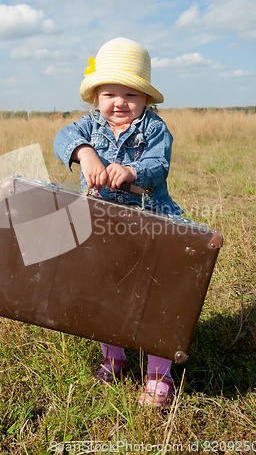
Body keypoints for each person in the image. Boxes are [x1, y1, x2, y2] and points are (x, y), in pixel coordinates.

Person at [54, 37, 183, 407]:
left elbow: (158, 164)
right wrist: (85, 153)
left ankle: (159, 373)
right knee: (104, 289)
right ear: (96, 97)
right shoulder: (88, 127)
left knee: (156, 292)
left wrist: (130, 170)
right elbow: (62, 137)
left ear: (146, 99)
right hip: (100, 222)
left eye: (131, 94)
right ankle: (114, 355)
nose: (119, 102)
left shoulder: (155, 128)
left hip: (148, 220)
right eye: (110, 93)